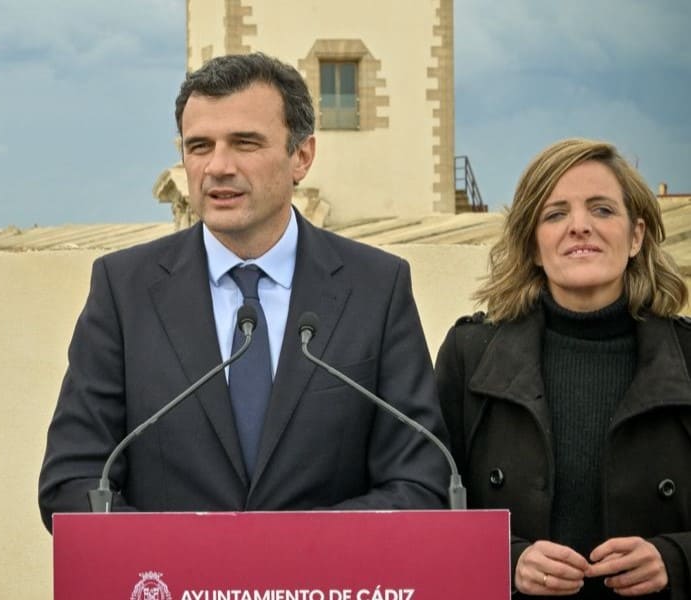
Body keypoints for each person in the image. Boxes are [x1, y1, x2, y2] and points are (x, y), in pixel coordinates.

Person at [38, 53, 449, 532]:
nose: (217, 167)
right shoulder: (123, 288)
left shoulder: (376, 287)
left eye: (245, 143)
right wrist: (187, 558)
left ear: (302, 156)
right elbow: (73, 480)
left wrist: (282, 551)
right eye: (199, 146)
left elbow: (421, 480)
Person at [436, 138, 690, 598]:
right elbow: (427, 507)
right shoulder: (469, 355)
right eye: (555, 214)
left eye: (602, 210)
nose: (580, 227)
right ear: (533, 245)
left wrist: (676, 558)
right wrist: (506, 558)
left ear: (636, 236)